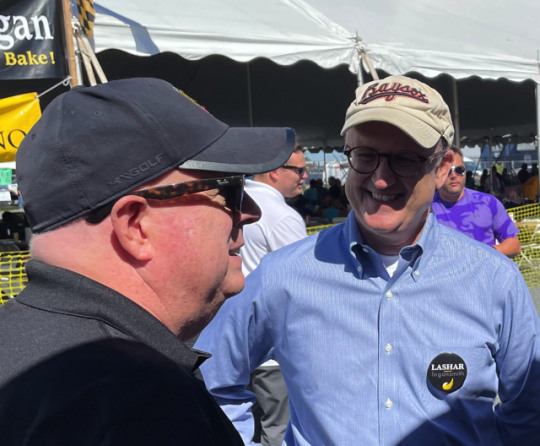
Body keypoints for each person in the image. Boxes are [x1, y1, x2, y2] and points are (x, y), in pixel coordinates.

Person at [196, 75, 540, 446]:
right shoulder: (284, 275)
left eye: (405, 159)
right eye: (365, 156)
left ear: (442, 168)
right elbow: (213, 381)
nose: (379, 179)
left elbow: (529, 411)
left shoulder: (493, 279)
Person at [0, 78, 296, 445]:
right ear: (135, 225)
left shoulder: (20, 343)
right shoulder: (145, 406)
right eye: (229, 188)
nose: (251, 212)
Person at [240, 145, 308, 446]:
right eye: (298, 170)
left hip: (238, 341)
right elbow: (303, 284)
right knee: (278, 430)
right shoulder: (282, 216)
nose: (304, 176)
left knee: (247, 425)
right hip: (274, 350)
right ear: (275, 171)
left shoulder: (236, 202)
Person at [432, 147, 521, 258]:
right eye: (448, 171)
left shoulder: (488, 203)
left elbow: (514, 245)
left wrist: (482, 253)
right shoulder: (425, 208)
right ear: (437, 173)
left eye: (459, 170)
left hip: (485, 273)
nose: (454, 175)